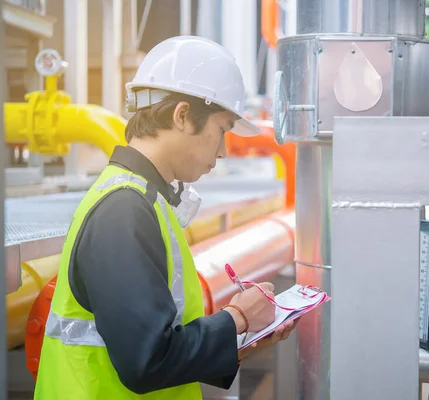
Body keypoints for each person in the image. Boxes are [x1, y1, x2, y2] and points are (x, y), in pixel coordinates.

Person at [34, 36, 297, 399]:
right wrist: (236, 318)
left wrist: (241, 340)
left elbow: (158, 345)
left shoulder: (145, 201)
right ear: (183, 115)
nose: (223, 151)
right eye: (221, 130)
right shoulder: (124, 210)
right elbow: (146, 361)